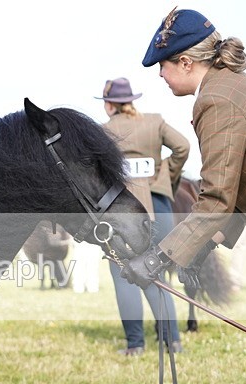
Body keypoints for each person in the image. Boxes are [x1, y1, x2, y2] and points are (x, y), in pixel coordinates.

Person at [123, 8, 246, 297]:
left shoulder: (215, 100)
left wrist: (158, 258)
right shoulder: (233, 85)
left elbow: (217, 198)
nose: (160, 75)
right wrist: (204, 245)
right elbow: (239, 191)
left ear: (185, 62)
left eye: (163, 65)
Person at [98, 77, 190, 355]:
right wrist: (164, 180)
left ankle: (135, 345)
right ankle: (172, 340)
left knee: (123, 273)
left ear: (109, 104)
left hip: (122, 215)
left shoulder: (103, 132)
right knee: (156, 272)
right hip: (158, 209)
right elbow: (183, 147)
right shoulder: (155, 122)